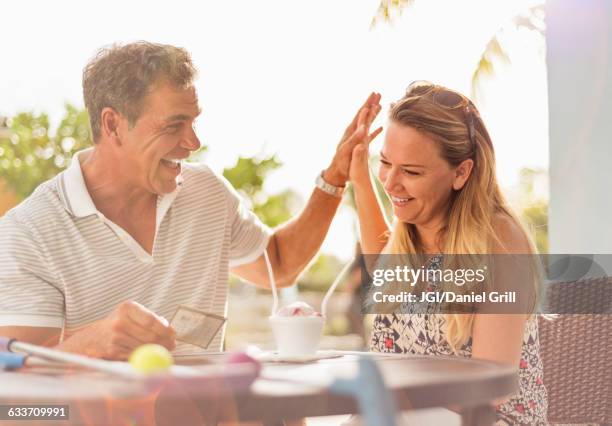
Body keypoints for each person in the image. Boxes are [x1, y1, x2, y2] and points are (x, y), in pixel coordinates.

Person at [0, 41, 381, 360]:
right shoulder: (29, 232)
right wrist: (92, 344)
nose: (193, 143)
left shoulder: (206, 193)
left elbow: (278, 264)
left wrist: (334, 177)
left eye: (194, 122)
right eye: (173, 125)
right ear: (112, 124)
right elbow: (19, 391)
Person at [345, 81, 548, 425]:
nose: (391, 182)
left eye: (411, 171)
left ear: (461, 172)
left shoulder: (498, 240)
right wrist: (360, 177)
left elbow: (490, 389)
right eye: (385, 162)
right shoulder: (410, 233)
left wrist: (396, 395)